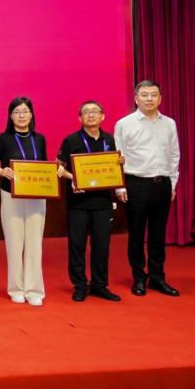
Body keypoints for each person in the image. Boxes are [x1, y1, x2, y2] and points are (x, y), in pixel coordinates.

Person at [115, 81, 181, 297]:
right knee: (136, 233)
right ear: (136, 98)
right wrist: (120, 187)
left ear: (160, 98)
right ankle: (139, 277)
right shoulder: (124, 124)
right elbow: (117, 157)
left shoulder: (169, 123)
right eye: (144, 95)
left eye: (154, 95)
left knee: (158, 234)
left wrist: (172, 183)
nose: (149, 99)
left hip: (162, 184)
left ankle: (157, 277)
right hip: (136, 183)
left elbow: (174, 154)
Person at [56, 101, 122, 302]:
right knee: (77, 246)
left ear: (103, 116)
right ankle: (80, 285)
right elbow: (59, 167)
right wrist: (73, 179)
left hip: (103, 202)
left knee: (102, 246)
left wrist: (119, 164)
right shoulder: (71, 140)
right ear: (80, 118)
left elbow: (113, 167)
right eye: (86, 112)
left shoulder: (109, 139)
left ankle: (99, 285)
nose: (91, 115)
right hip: (78, 203)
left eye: (95, 111)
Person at [0, 97, 49, 307]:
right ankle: (16, 288)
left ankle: (34, 289)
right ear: (10, 116)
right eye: (17, 112)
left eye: (25, 111)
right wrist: (1, 171)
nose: (21, 115)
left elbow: (44, 165)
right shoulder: (3, 139)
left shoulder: (39, 139)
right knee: (14, 243)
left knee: (34, 243)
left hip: (36, 196)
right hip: (10, 194)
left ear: (31, 114)